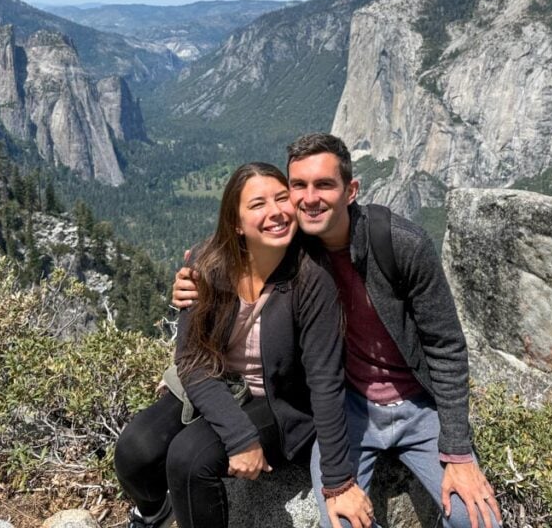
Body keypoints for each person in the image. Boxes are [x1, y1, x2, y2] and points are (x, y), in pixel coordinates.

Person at [173, 135, 502, 528]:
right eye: (298, 186)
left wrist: (459, 453)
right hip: (349, 407)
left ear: (351, 190)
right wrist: (193, 274)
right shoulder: (293, 247)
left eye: (324, 185)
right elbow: (237, 239)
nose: (310, 198)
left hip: (419, 407)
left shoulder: (402, 245)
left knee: (476, 520)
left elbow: (446, 346)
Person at [115, 161, 373, 528]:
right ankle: (155, 513)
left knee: (189, 460)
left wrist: (338, 480)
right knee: (134, 452)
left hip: (280, 400)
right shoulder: (208, 264)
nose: (276, 212)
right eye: (257, 205)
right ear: (236, 223)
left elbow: (325, 380)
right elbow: (191, 360)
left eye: (282, 198)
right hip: (220, 380)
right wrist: (238, 435)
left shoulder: (311, 277)